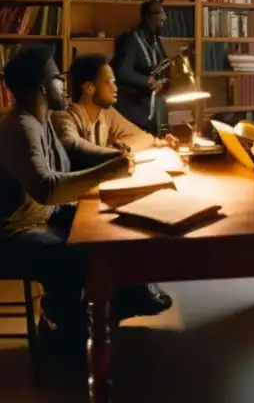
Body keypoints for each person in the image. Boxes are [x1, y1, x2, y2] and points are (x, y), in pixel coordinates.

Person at [0, 44, 167, 354]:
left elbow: (70, 159)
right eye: (57, 78)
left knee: (109, 233)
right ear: (42, 87)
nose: (64, 83)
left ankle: (111, 311)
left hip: (39, 220)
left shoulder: (41, 120)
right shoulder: (22, 129)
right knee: (79, 257)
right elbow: (47, 189)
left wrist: (113, 164)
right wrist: (111, 169)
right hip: (7, 239)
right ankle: (65, 335)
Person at [51, 52, 175, 314]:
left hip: (92, 199)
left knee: (139, 214)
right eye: (110, 82)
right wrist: (119, 156)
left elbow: (141, 137)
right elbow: (74, 146)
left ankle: (129, 292)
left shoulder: (106, 115)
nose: (116, 88)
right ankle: (124, 295)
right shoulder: (66, 117)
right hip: (67, 206)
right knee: (125, 224)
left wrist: (156, 143)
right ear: (89, 88)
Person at [113, 0, 169, 134]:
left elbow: (163, 65)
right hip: (132, 109)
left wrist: (162, 81)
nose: (164, 17)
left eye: (164, 13)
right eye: (159, 13)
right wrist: (147, 81)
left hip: (150, 106)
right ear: (147, 17)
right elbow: (122, 71)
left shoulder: (156, 41)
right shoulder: (130, 41)